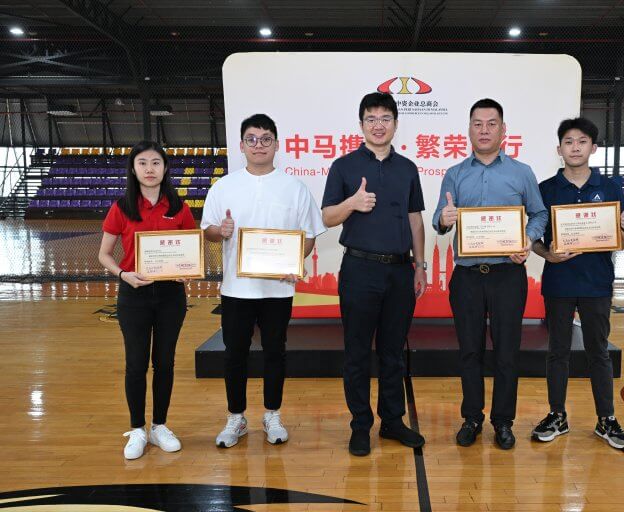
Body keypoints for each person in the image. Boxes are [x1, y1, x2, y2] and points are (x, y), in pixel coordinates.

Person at [201, 114, 325, 448]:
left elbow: (309, 235)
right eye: (252, 139)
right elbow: (208, 230)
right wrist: (221, 231)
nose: (259, 145)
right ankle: (236, 417)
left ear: (276, 144)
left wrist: (295, 261)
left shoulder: (294, 188)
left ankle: (273, 414)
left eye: (266, 138)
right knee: (234, 354)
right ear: (242, 145)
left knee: (275, 352)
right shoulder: (224, 187)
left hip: (278, 289)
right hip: (236, 289)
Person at [432, 98, 548, 450]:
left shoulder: (521, 172)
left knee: (507, 352)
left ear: (503, 130)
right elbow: (439, 220)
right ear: (469, 129)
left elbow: (539, 214)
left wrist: (527, 238)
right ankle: (472, 418)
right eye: (477, 124)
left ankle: (503, 421)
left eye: (491, 123)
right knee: (469, 351)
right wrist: (444, 219)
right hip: (467, 277)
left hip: (507, 275)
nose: (484, 130)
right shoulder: (455, 173)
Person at [321, 92, 427, 456]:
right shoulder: (343, 166)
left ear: (395, 124)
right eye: (371, 118)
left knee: (393, 352)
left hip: (400, 271)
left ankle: (393, 421)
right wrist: (352, 204)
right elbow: (327, 217)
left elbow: (415, 220)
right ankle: (360, 425)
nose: (378, 125)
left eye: (385, 118)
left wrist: (420, 265)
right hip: (359, 268)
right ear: (361, 124)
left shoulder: (408, 168)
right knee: (357, 352)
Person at [531, 117, 624, 450]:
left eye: (582, 141)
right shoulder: (546, 189)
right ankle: (557, 415)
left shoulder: (611, 187)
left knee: (598, 352)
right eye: (568, 142)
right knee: (557, 352)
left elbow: (621, 243)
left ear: (594, 147)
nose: (575, 147)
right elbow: (534, 238)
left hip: (597, 283)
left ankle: (606, 419)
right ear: (559, 149)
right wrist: (548, 254)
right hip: (559, 282)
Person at [98, 141, 195, 460]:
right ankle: (138, 429)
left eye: (156, 162)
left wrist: (186, 271)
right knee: (136, 363)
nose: (150, 169)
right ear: (133, 168)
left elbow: (190, 252)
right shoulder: (121, 207)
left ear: (165, 168)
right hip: (133, 295)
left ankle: (159, 426)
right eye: (142, 163)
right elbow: (104, 254)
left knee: (165, 362)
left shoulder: (178, 207)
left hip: (170, 297)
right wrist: (123, 274)